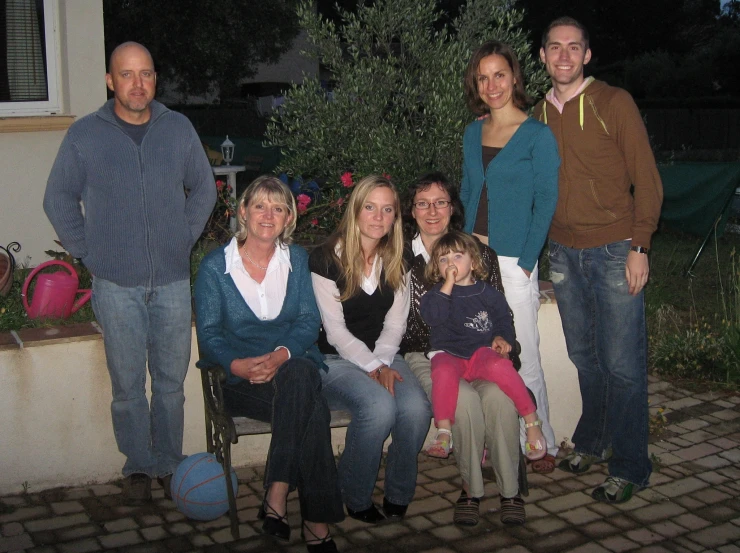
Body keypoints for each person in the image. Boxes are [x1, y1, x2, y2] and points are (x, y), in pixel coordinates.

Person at [43, 42, 216, 504]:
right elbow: (58, 198)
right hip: (115, 284)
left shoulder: (177, 128)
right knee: (126, 386)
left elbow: (204, 188)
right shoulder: (84, 135)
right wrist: (88, 253)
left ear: (155, 79)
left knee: (170, 384)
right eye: (127, 75)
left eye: (146, 74)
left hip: (174, 282)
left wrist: (183, 237)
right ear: (110, 81)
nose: (137, 84)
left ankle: (170, 464)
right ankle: (138, 464)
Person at [533, 17, 663, 503]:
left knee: (623, 364)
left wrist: (640, 245)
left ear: (587, 55)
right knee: (585, 356)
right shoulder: (538, 116)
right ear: (543, 56)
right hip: (563, 251)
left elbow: (646, 178)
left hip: (615, 249)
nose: (563, 56)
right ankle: (595, 439)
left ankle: (632, 465)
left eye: (573, 47)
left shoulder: (613, 103)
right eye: (554, 48)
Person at [195, 176, 344, 552]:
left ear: (289, 218)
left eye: (278, 208)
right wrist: (238, 365)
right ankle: (315, 522)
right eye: (259, 205)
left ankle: (277, 493)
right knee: (313, 410)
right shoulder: (215, 267)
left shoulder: (297, 259)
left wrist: (280, 354)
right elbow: (210, 335)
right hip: (241, 383)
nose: (268, 214)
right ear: (243, 212)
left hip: (292, 369)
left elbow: (309, 321)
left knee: (299, 373)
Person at [401, 172, 527, 526]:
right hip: (430, 354)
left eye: (440, 202)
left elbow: (499, 311)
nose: (431, 211)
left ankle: (510, 490)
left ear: (452, 207)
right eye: (422, 203)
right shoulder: (401, 257)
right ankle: (470, 489)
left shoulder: (479, 252)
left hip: (480, 353)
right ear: (411, 211)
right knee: (466, 401)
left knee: (499, 400)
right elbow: (410, 325)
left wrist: (507, 346)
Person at [460, 41, 561, 473]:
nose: (492, 85)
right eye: (483, 77)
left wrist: (525, 260)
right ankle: (498, 440)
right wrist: (461, 249)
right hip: (475, 259)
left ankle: (541, 439)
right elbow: (467, 191)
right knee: (484, 353)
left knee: (523, 353)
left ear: (515, 77)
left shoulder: (537, 134)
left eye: (499, 74)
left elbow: (546, 199)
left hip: (513, 259)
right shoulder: (472, 131)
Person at [310, 175, 431, 524]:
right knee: (379, 408)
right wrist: (374, 368)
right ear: (355, 210)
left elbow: (396, 323)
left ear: (395, 217)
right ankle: (354, 494)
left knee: (415, 409)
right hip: (335, 359)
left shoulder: (399, 257)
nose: (378, 217)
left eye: (387, 209)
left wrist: (381, 362)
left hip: (384, 353)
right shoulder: (325, 258)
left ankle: (398, 492)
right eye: (370, 207)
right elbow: (335, 332)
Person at [420, 231, 547, 463]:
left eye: (457, 256)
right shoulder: (434, 295)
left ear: (474, 262)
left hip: (480, 352)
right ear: (436, 267)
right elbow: (434, 317)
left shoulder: (488, 293)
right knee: (442, 371)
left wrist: (501, 337)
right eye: (443, 259)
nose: (451, 264)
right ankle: (444, 432)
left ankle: (531, 422)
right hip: (448, 353)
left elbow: (503, 320)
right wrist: (447, 284)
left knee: (501, 365)